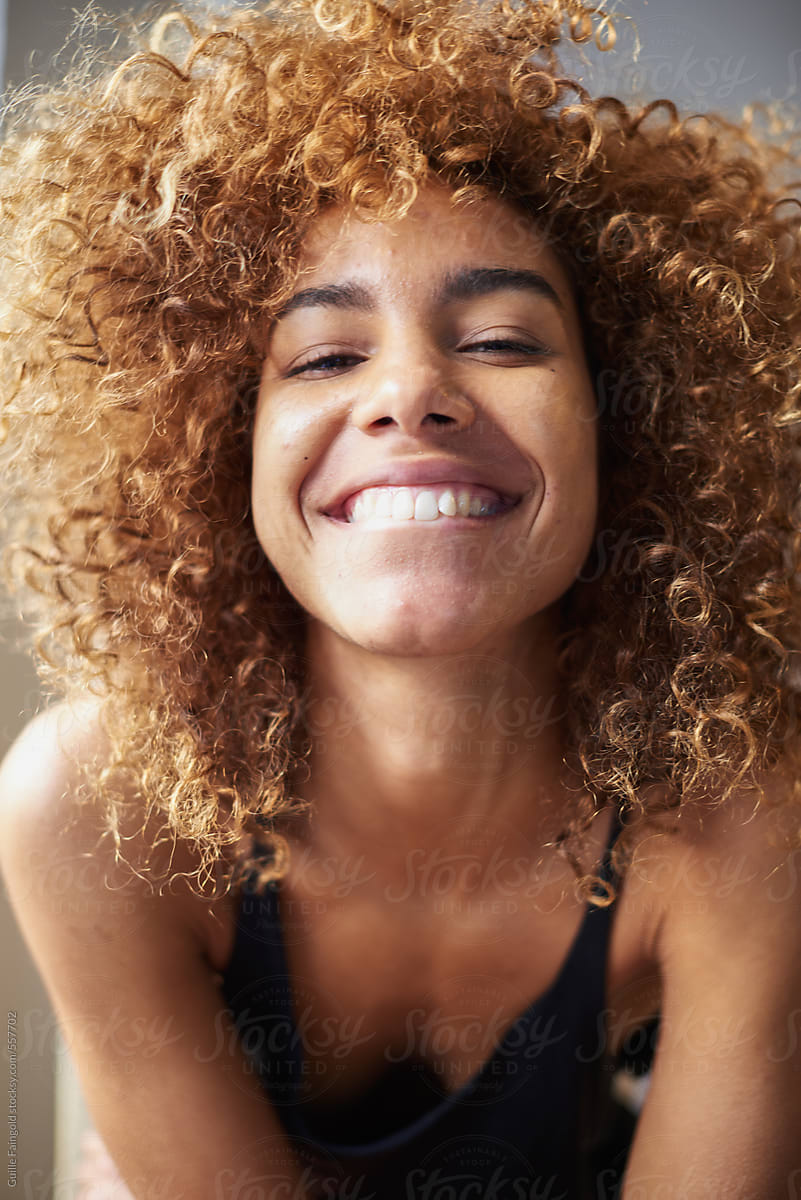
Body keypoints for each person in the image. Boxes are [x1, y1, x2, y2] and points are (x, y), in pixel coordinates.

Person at [0, 0, 800, 1196]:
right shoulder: (95, 812)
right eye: (325, 357)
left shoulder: (749, 816)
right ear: (220, 445)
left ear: (627, 425)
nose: (411, 394)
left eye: (502, 341)